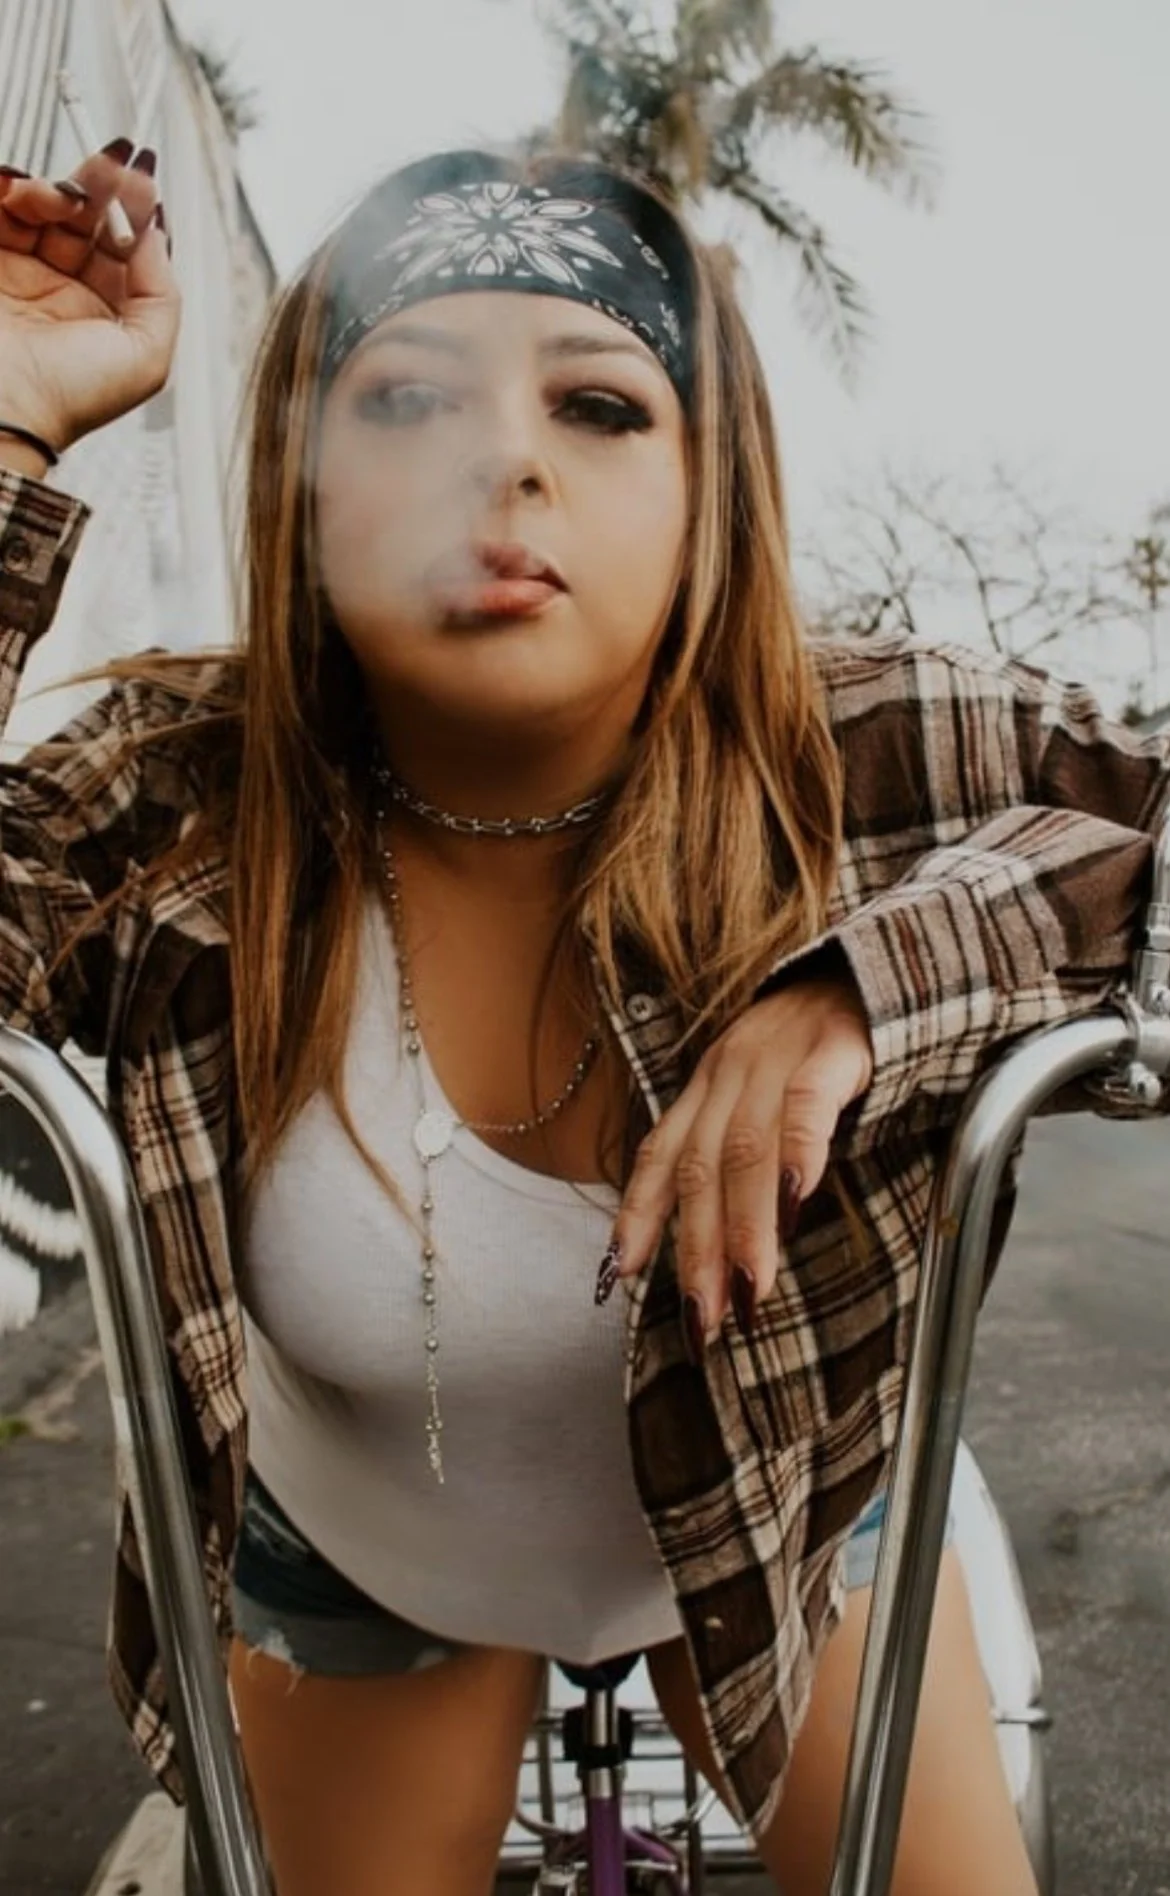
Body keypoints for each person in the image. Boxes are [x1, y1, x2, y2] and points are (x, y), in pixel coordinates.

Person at [0, 136, 1162, 1896]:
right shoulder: (184, 803)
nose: (505, 459)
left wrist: (868, 986)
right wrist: (11, 422)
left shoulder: (857, 745)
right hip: (362, 1560)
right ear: (302, 491)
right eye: (399, 399)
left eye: (603, 407)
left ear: (710, 491)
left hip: (786, 1533)